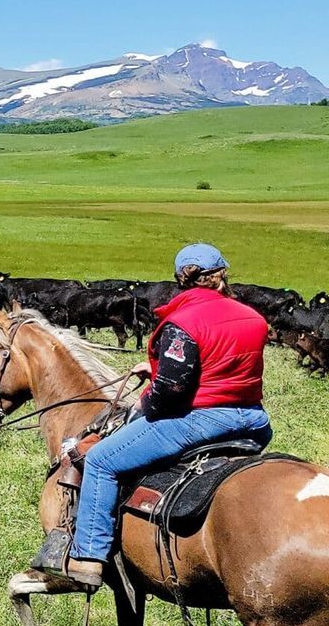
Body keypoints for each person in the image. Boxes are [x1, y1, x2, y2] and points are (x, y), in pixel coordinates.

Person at [61, 243, 272, 589]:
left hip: (199, 421)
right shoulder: (253, 318)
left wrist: (149, 397)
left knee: (100, 460)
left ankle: (87, 557)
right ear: (222, 277)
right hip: (252, 421)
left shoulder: (183, 323)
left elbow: (172, 392)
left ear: (181, 280)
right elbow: (222, 363)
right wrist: (159, 366)